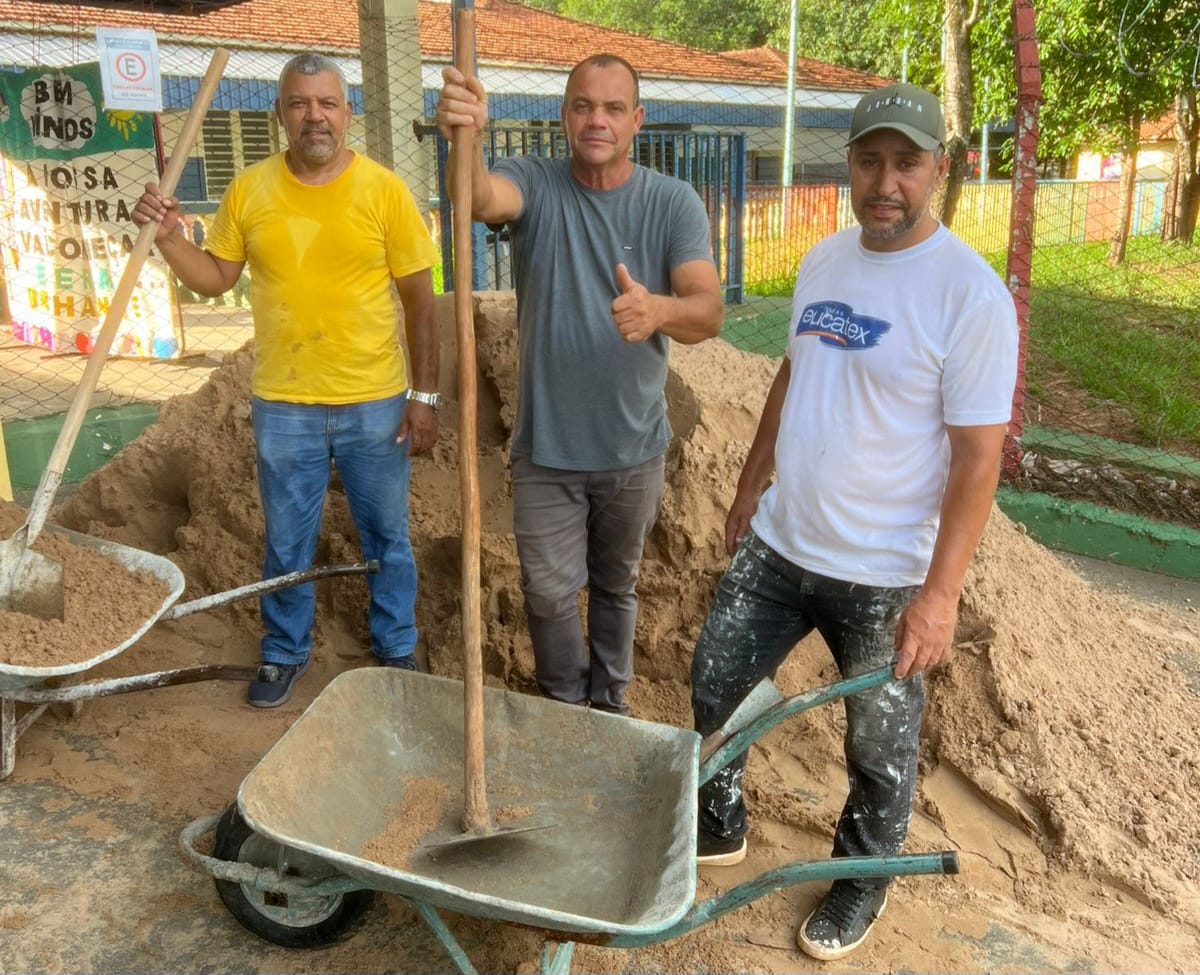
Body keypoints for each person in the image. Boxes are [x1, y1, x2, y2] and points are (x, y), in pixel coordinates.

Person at [690, 83, 1018, 960]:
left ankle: (864, 875)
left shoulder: (970, 298)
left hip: (885, 571)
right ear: (851, 166)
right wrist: (750, 481)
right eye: (870, 161)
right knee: (715, 684)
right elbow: (795, 375)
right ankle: (719, 821)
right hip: (783, 541)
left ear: (938, 171)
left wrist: (940, 596)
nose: (885, 181)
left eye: (905, 163)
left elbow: (979, 461)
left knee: (877, 744)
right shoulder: (825, 261)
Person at [133, 53, 441, 707]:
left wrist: (424, 397)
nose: (314, 116)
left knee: (386, 534)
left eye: (327, 102)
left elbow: (421, 300)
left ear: (348, 113)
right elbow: (215, 276)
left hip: (375, 400)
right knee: (287, 539)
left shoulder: (384, 192)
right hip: (285, 404)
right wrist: (167, 239)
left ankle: (396, 646)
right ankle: (283, 651)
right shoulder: (250, 190)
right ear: (280, 114)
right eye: (300, 104)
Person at [437, 55, 724, 714]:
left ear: (636, 120)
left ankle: (611, 703)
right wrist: (467, 134)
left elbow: (706, 310)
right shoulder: (535, 184)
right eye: (583, 106)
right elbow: (479, 198)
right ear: (565, 115)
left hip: (633, 446)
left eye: (613, 108)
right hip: (547, 448)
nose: (597, 120)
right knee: (547, 590)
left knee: (617, 585)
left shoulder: (670, 202)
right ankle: (566, 702)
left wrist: (658, 310)